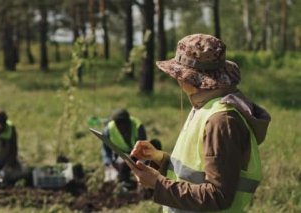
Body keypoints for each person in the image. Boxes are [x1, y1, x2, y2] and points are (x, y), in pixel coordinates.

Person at [127, 34, 271, 212]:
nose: (177, 79)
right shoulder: (205, 106)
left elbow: (217, 196)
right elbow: (196, 172)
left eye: (178, 74)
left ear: (189, 79)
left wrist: (158, 184)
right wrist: (160, 158)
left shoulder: (221, 121)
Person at [101, 109, 147, 186]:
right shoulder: (108, 130)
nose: (122, 126)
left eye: (124, 123)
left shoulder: (137, 126)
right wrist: (109, 164)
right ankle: (124, 183)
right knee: (117, 173)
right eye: (118, 124)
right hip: (121, 154)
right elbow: (106, 150)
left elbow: (142, 148)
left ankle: (143, 184)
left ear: (128, 122)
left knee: (145, 167)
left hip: (137, 154)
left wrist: (130, 160)